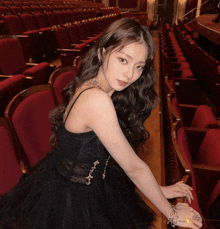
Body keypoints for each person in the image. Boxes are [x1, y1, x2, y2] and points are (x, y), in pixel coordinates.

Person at [0, 18, 202, 229]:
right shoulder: (97, 100)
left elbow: (119, 157)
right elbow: (134, 167)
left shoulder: (100, 86)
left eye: (139, 66)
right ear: (103, 52)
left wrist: (160, 190)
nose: (130, 74)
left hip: (94, 179)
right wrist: (172, 214)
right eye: (123, 60)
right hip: (72, 197)